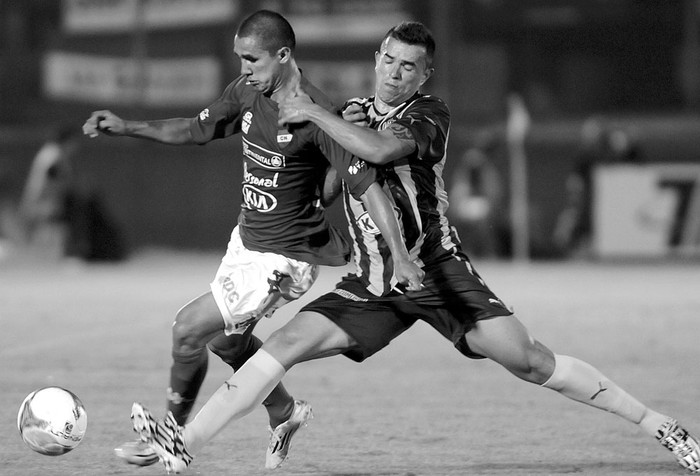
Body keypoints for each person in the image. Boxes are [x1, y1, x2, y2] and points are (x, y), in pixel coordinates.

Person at [130, 21, 700, 474]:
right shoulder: (346, 113)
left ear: (424, 75)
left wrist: (320, 116)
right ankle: (187, 447)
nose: (395, 74)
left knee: (530, 361)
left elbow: (378, 152)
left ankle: (661, 426)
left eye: (410, 67)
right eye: (389, 60)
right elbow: (338, 182)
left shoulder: (429, 115)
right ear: (376, 57)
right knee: (281, 345)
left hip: (434, 271)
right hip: (372, 283)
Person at [82, 10, 422, 469]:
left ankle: (170, 436)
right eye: (240, 58)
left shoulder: (316, 113)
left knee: (188, 330)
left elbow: (368, 187)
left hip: (284, 260)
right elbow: (194, 129)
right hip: (246, 242)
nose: (244, 68)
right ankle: (284, 411)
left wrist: (399, 256)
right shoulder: (246, 90)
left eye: (253, 59)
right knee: (225, 343)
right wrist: (128, 127)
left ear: (283, 56)